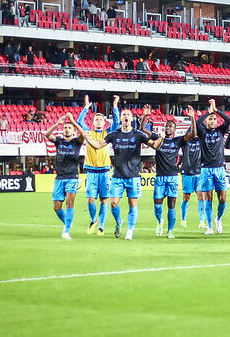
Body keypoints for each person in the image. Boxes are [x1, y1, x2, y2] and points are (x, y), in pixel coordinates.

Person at [86, 107, 160, 240]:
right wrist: (87, 138)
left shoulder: (138, 134)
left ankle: (130, 231)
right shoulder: (114, 134)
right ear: (121, 119)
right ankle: (119, 221)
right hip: (118, 176)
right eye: (123, 114)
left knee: (133, 204)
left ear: (131, 119)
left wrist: (162, 139)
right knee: (113, 203)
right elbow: (97, 145)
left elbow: (154, 145)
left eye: (128, 115)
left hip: (133, 176)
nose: (126, 116)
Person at [76, 94, 120, 235]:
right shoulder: (89, 132)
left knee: (104, 200)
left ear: (104, 122)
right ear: (93, 123)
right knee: (90, 200)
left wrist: (114, 107)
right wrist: (86, 108)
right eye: (96, 119)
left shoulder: (108, 133)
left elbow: (117, 122)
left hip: (105, 171)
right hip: (91, 171)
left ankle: (101, 226)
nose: (99, 121)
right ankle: (93, 220)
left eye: (101, 119)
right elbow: (79, 121)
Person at [149, 107, 195, 239]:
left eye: (170, 126)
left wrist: (192, 117)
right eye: (166, 126)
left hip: (173, 177)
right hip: (160, 177)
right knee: (157, 204)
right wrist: (146, 116)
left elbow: (192, 133)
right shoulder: (159, 138)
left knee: (171, 205)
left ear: (174, 129)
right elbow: (144, 131)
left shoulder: (178, 141)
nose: (168, 128)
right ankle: (159, 221)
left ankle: (170, 231)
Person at [45, 112, 88, 240]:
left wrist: (73, 121)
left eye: (69, 128)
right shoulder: (58, 141)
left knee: (69, 204)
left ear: (73, 131)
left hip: (72, 177)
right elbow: (47, 134)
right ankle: (68, 223)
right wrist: (57, 123)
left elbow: (84, 135)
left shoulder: (76, 142)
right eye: (65, 127)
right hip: (59, 177)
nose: (67, 129)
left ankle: (66, 231)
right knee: (57, 207)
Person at [196, 99, 230, 235]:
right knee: (208, 197)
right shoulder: (203, 132)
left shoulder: (221, 131)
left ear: (217, 122)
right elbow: (198, 122)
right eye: (210, 119)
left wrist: (216, 110)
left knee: (222, 198)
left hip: (219, 168)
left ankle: (219, 218)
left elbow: (228, 120)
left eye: (214, 119)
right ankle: (210, 226)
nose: (212, 121)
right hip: (206, 168)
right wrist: (207, 113)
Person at [179, 106, 201, 227]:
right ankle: (183, 218)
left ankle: (202, 220)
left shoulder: (200, 141)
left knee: (201, 197)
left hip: (199, 172)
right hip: (187, 172)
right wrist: (193, 118)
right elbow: (192, 130)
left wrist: (196, 118)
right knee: (186, 197)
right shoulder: (185, 142)